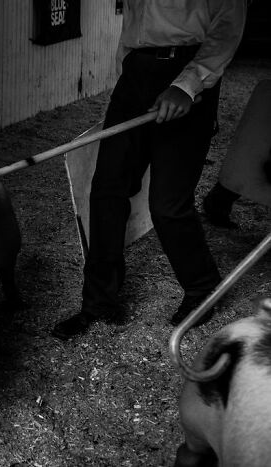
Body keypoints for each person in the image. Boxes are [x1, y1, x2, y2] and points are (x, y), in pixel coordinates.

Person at [52, 0, 247, 340]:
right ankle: (99, 301)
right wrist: (128, 75)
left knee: (168, 204)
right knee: (106, 191)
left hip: (185, 70)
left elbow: (229, 21)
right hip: (136, 75)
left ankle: (203, 289)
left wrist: (188, 83)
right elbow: (134, 23)